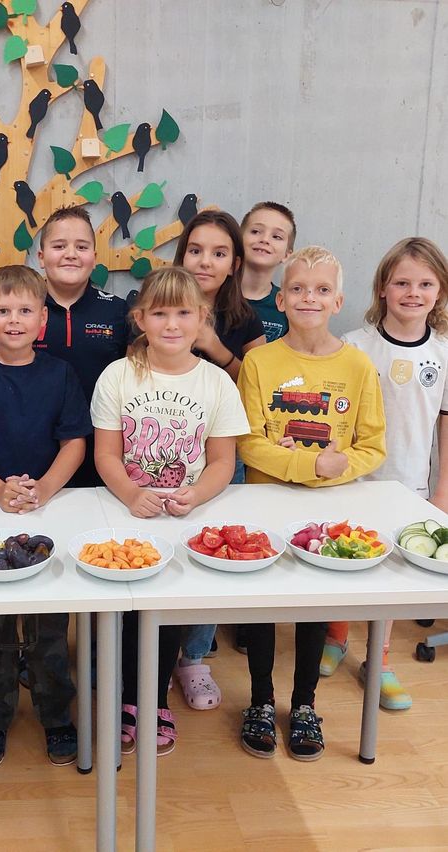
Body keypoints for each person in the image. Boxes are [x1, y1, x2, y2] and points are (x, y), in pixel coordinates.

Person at [236, 246, 387, 761]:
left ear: (338, 300)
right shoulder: (259, 362)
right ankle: (259, 699)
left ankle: (303, 703)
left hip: (326, 510)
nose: (309, 297)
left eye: (322, 290)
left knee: (312, 610)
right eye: (298, 288)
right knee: (261, 608)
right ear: (281, 299)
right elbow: (247, 441)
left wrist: (336, 467)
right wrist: (308, 465)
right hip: (265, 503)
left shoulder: (358, 366)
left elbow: (372, 445)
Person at [91, 266, 249, 754]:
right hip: (127, 513)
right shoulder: (118, 375)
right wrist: (131, 494)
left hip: (186, 514)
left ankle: (155, 697)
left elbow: (224, 461)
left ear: (202, 318)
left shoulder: (218, 383)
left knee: (168, 611)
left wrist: (195, 495)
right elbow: (106, 454)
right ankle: (124, 696)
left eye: (184, 313)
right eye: (160, 313)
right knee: (129, 609)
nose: (172, 324)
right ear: (140, 319)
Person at [0, 265, 89, 766]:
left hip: (47, 510)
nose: (14, 320)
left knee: (51, 624)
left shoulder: (62, 374)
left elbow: (74, 442)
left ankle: (56, 714)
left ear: (42, 320)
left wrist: (44, 489)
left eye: (25, 310)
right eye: (3, 311)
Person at [320, 237, 448, 710]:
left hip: (408, 484)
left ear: (440, 292)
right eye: (401, 282)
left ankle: (382, 659)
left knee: (392, 573)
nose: (412, 293)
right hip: (351, 479)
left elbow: (444, 430)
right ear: (382, 289)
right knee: (342, 558)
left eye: (425, 284)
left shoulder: (444, 353)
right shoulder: (354, 346)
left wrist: (441, 492)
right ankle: (335, 638)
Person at [172, 210, 267, 699]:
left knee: (212, 548)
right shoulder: (156, 302)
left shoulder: (242, 318)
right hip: (163, 450)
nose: (205, 261)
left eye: (219, 252)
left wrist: (213, 346)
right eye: (195, 249)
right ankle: (150, 647)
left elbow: (256, 387)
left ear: (234, 264)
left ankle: (195, 656)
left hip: (221, 454)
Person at [35, 205, 128, 486]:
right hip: (32, 445)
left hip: (102, 449)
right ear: (41, 257)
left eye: (82, 246)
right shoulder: (19, 312)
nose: (71, 254)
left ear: (95, 258)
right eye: (59, 245)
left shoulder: (117, 310)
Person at [240, 202, 296, 343]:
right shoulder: (214, 294)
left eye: (276, 237)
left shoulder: (288, 307)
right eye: (256, 231)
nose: (264, 239)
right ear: (238, 240)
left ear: (287, 255)